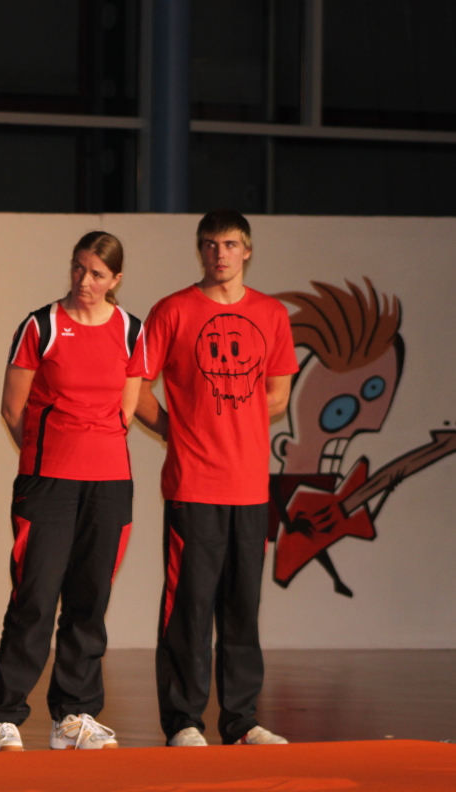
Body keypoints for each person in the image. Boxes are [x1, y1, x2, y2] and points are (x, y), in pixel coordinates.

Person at [134, 209, 298, 747]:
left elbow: (278, 394)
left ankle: (241, 720)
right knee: (189, 606)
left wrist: (241, 420)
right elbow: (137, 388)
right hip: (194, 484)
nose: (219, 254)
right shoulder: (173, 310)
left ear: (246, 250)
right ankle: (183, 721)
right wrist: (175, 429)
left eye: (229, 244)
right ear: (199, 250)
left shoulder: (271, 313)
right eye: (209, 244)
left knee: (242, 608)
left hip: (250, 486)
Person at [0, 232, 144, 752]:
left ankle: (73, 716)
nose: (84, 280)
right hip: (48, 482)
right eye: (78, 268)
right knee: (34, 597)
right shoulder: (41, 325)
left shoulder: (131, 331)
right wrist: (46, 455)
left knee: (88, 601)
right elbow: (13, 408)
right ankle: (4, 718)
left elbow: (126, 411)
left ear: (115, 280)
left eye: (97, 273)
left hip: (110, 484)